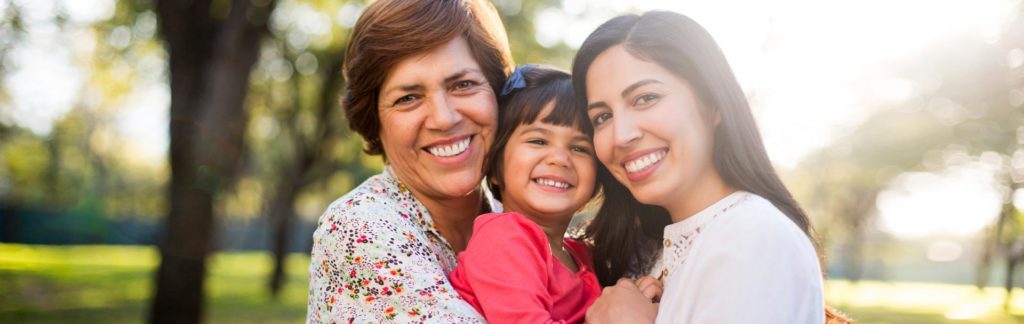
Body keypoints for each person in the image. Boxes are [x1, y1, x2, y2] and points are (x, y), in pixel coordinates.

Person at [572, 11, 827, 323]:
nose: (621, 135)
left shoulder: (751, 234)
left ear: (713, 103)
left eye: (645, 98)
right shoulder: (658, 251)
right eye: (602, 117)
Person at [306, 0, 513, 322]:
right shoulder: (361, 228)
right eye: (408, 98)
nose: (444, 119)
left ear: (499, 94)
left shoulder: (511, 217)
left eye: (463, 84)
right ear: (374, 118)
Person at [447, 66, 601, 323]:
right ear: (495, 167)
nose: (560, 159)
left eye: (579, 147)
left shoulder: (581, 253)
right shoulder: (504, 238)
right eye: (538, 141)